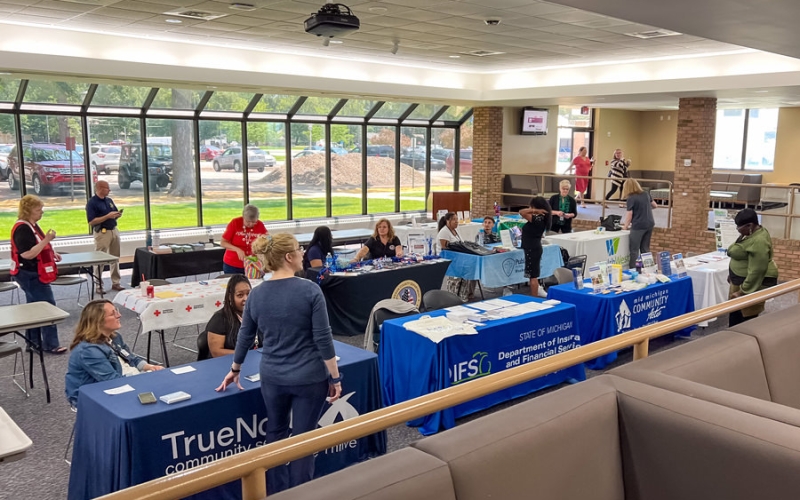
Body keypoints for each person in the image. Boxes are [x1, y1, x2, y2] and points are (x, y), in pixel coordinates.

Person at [216, 233, 341, 495]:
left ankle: (275, 493)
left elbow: (245, 336)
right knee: (303, 441)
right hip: (308, 377)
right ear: (289, 256)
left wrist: (235, 369)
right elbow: (323, 338)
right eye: (299, 249)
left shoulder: (257, 295)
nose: (303, 252)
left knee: (275, 435)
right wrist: (335, 377)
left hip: (272, 378)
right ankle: (301, 494)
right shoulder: (310, 290)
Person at [65, 300, 163, 407]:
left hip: (127, 380)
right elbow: (113, 382)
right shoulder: (88, 351)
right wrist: (145, 377)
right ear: (98, 321)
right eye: (113, 314)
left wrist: (150, 367)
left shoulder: (115, 337)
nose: (119, 315)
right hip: (98, 395)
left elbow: (131, 358)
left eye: (117, 311)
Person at [10, 195, 66, 354]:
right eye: (38, 210)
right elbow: (27, 254)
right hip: (29, 273)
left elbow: (38, 246)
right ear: (28, 211)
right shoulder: (23, 229)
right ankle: (51, 344)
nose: (41, 212)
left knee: (34, 308)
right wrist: (47, 239)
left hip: (32, 272)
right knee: (48, 307)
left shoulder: (32, 226)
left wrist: (52, 253)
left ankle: (32, 342)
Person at [727, 208, 779, 326]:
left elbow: (757, 270)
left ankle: (739, 337)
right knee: (735, 312)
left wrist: (742, 292)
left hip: (751, 283)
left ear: (750, 225)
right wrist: (732, 275)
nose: (737, 229)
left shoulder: (759, 241)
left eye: (739, 227)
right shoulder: (753, 232)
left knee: (743, 318)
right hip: (741, 279)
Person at [206, 275, 260, 358]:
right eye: (240, 295)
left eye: (248, 294)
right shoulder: (219, 319)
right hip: (227, 363)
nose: (246, 298)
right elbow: (216, 352)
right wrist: (247, 354)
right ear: (230, 297)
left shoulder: (258, 313)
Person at [86, 180, 124, 293]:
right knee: (100, 258)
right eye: (107, 188)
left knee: (115, 257)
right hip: (102, 232)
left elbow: (113, 212)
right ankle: (98, 285)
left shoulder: (109, 200)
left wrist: (117, 215)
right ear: (100, 188)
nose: (109, 190)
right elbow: (91, 221)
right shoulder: (92, 203)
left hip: (113, 230)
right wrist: (107, 216)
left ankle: (116, 282)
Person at [220, 204, 268, 274]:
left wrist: (267, 238)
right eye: (248, 221)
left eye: (254, 222)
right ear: (243, 217)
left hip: (252, 264)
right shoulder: (235, 223)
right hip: (233, 264)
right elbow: (223, 243)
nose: (250, 224)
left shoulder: (260, 225)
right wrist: (237, 249)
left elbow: (269, 237)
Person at [620, 179, 657, 268]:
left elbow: (629, 214)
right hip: (649, 223)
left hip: (638, 226)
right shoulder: (646, 194)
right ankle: (649, 268)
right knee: (645, 249)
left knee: (634, 250)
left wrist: (625, 226)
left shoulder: (631, 198)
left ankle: (633, 270)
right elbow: (655, 205)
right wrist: (644, 208)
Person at [519, 197, 551, 298]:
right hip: (534, 247)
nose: (530, 208)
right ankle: (535, 295)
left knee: (533, 276)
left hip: (532, 248)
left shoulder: (538, 219)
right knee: (533, 275)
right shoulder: (541, 218)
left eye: (531, 206)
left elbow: (522, 212)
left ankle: (534, 298)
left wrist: (535, 210)